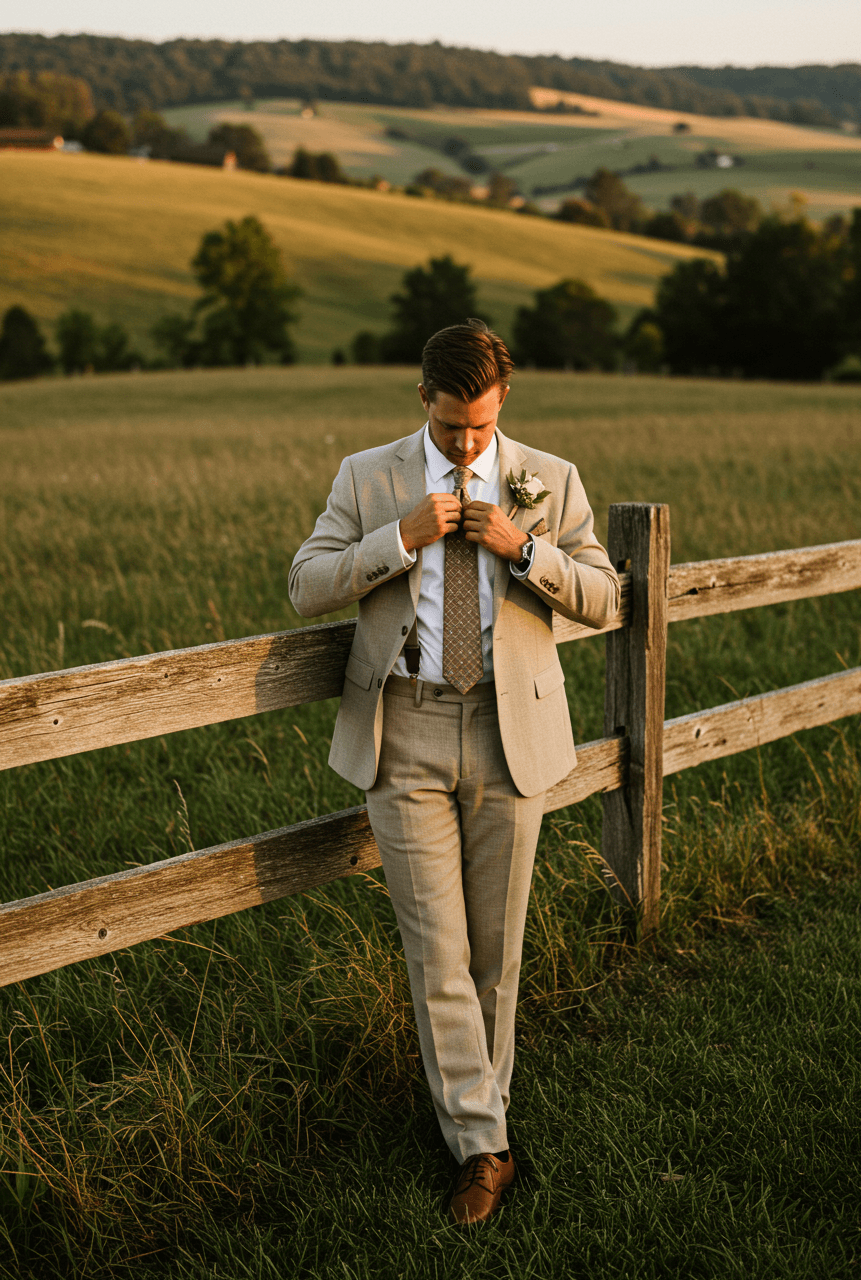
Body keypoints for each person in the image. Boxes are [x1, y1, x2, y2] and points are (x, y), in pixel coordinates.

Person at [289, 319, 620, 1224]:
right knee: (437, 950)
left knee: (496, 954)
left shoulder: (549, 480)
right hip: (405, 731)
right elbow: (306, 582)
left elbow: (605, 597)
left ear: (501, 401)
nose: (466, 444)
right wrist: (395, 540)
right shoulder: (368, 476)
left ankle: (480, 1113)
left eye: (478, 426)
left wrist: (523, 547)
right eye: (448, 428)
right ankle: (483, 1147)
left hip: (513, 734)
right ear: (422, 401)